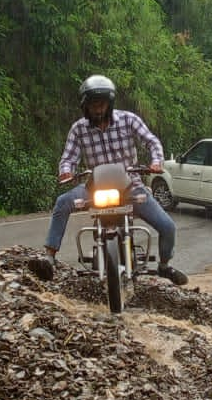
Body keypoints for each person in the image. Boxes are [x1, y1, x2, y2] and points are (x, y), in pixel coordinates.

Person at [33, 74, 186, 285]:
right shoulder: (79, 129)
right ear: (85, 106)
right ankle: (48, 258)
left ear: (110, 104)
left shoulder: (129, 120)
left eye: (102, 104)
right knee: (62, 202)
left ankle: (164, 266)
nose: (98, 109)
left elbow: (151, 142)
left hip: (130, 186)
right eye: (93, 105)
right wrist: (66, 171)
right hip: (94, 187)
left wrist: (156, 161)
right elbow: (68, 157)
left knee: (168, 226)